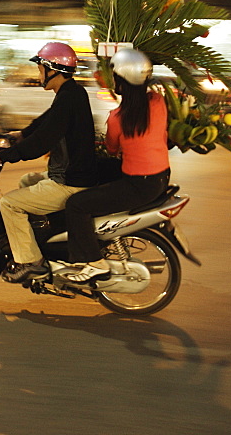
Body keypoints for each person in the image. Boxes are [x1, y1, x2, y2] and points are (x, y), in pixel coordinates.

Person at [0, 41, 97, 283]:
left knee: (9, 204)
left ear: (53, 69)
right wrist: (20, 134)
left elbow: (41, 142)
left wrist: (2, 157)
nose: (39, 74)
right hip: (75, 174)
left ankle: (32, 262)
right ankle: (43, 241)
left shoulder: (68, 98)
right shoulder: (72, 93)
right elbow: (46, 123)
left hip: (69, 182)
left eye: (40, 69)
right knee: (27, 180)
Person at [59, 46, 170, 284]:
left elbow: (111, 149)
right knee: (96, 170)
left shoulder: (118, 117)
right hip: (160, 178)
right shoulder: (158, 102)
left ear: (121, 81)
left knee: (76, 205)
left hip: (138, 185)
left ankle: (93, 262)